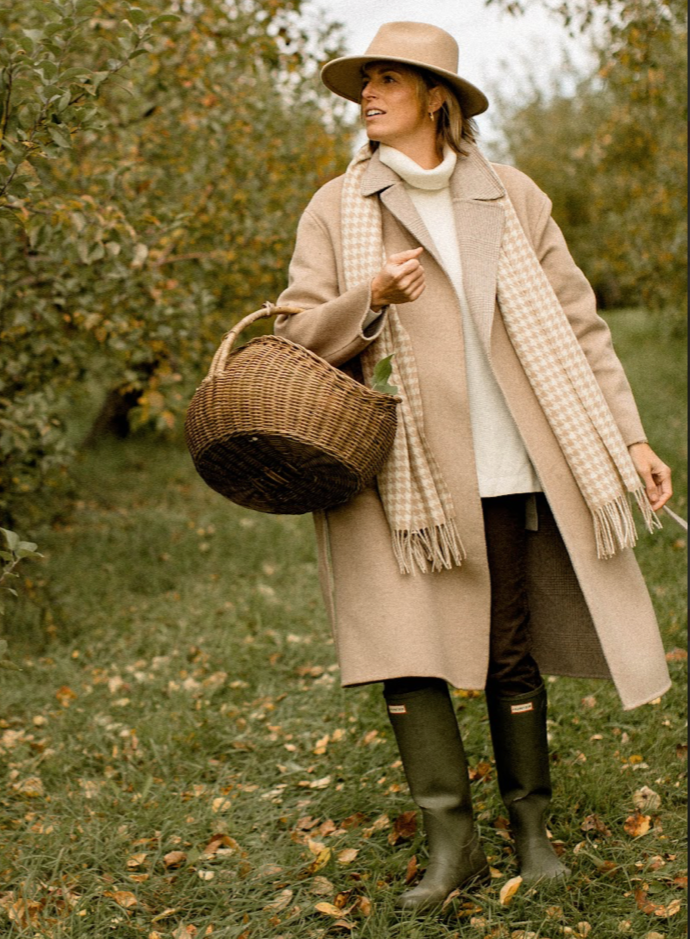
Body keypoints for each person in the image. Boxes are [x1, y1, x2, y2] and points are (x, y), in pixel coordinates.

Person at [274, 21, 673, 912]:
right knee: (407, 655)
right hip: (394, 475)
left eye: (386, 80)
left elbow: (578, 322)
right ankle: (447, 844)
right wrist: (367, 300)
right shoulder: (334, 206)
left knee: (509, 651)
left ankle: (530, 829)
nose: (366, 95)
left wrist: (631, 438)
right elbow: (295, 334)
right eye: (362, 82)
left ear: (435, 98)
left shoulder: (512, 196)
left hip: (512, 462)